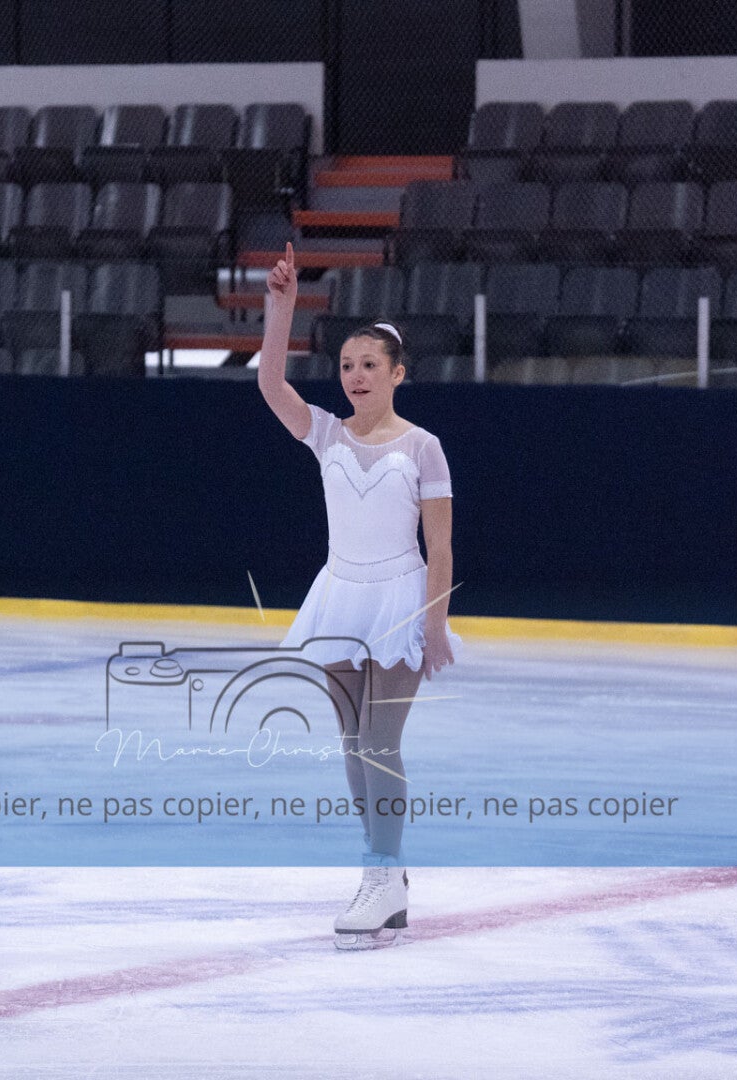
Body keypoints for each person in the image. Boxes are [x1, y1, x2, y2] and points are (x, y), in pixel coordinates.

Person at [256, 243, 462, 950]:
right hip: (340, 598)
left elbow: (441, 547)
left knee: (379, 743)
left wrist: (435, 624)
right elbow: (270, 384)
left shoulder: (423, 447)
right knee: (351, 743)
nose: (356, 376)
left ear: (398, 373)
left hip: (400, 601)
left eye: (370, 365)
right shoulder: (325, 434)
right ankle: (384, 874)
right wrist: (281, 308)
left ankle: (381, 875)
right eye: (347, 365)